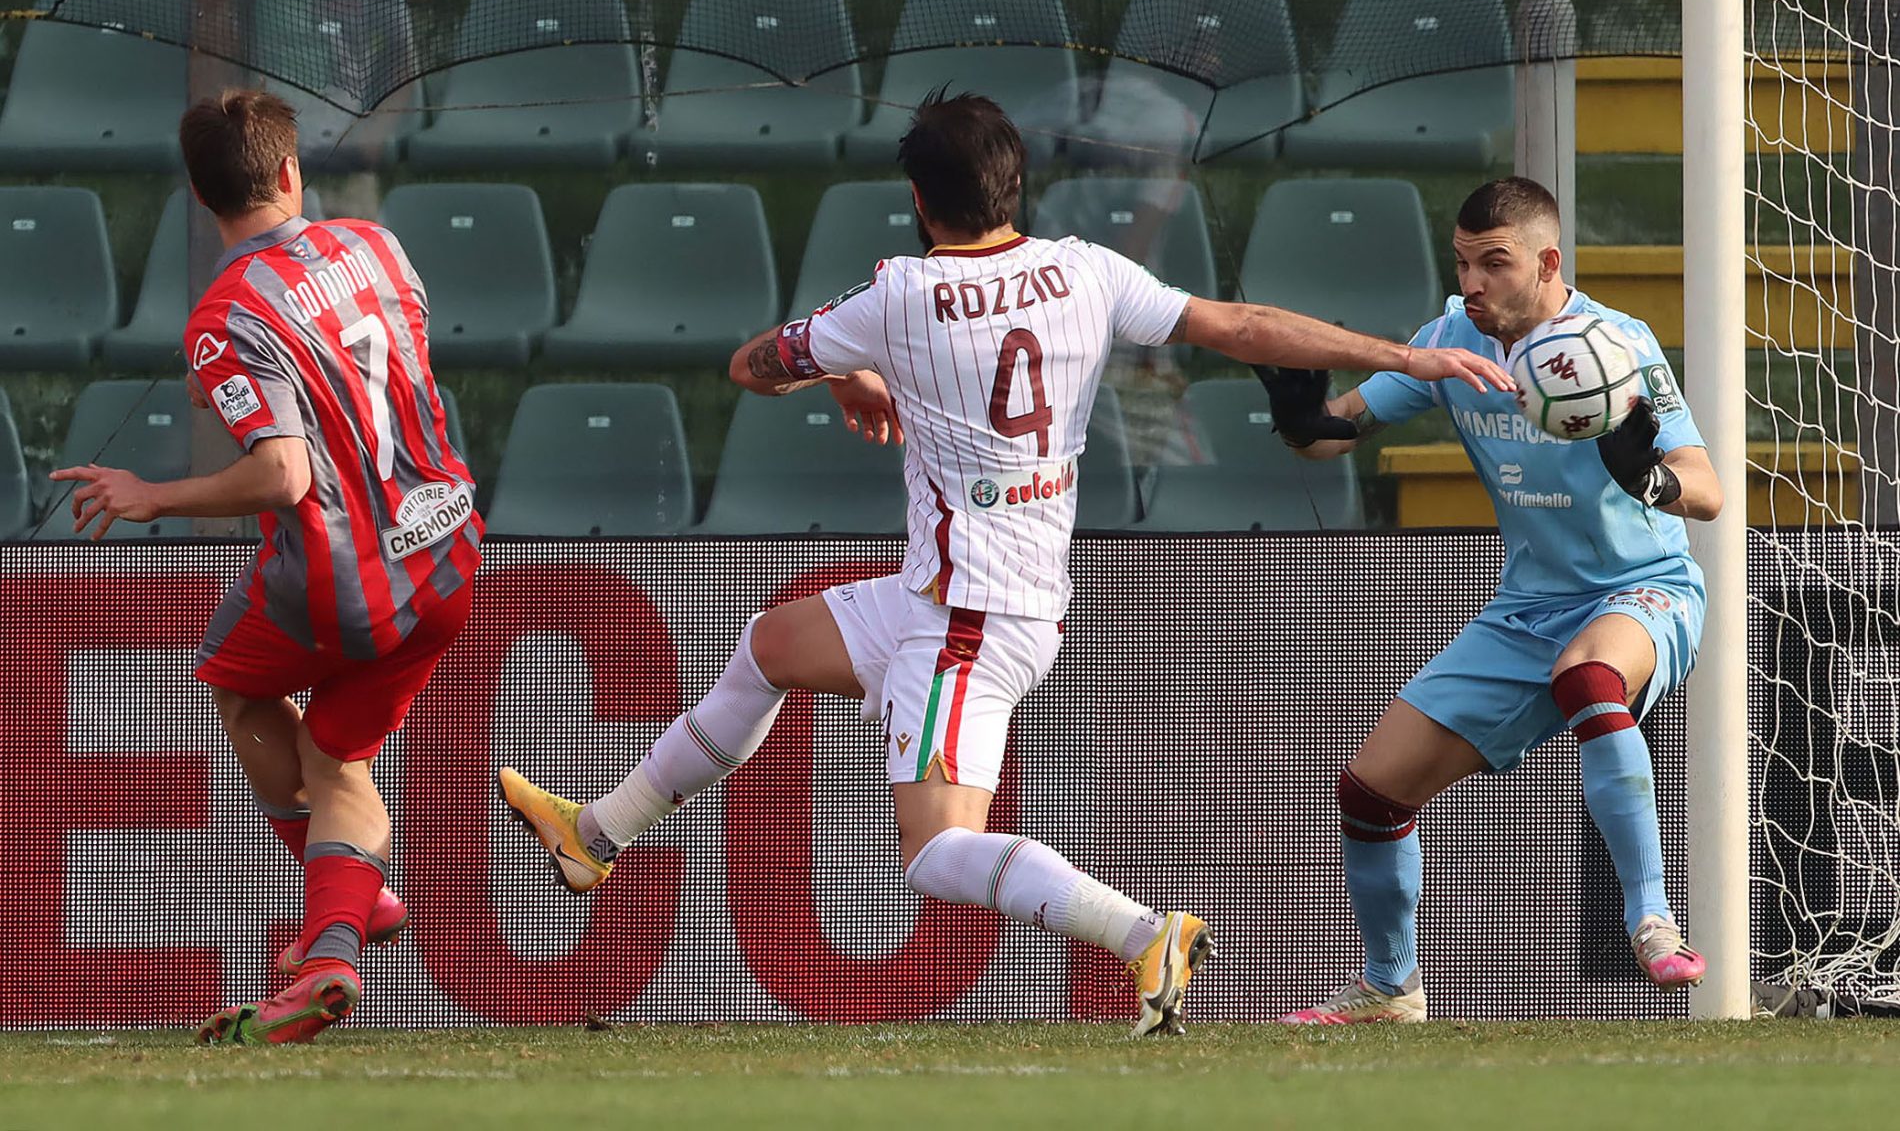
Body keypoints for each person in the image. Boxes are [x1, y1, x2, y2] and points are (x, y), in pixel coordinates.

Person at [496, 89, 1513, 1036]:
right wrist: (1406, 355)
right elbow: (1242, 326)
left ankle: (1142, 933)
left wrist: (843, 373)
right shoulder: (1086, 271)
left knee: (935, 853)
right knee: (769, 646)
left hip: (967, 619)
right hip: (960, 595)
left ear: (917, 200)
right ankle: (598, 833)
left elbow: (752, 367)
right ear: (1014, 183)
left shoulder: (898, 295)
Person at [52, 89, 483, 1045]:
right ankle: (344, 916)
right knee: (335, 752)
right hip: (449, 546)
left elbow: (284, 473)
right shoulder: (378, 245)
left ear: (200, 197)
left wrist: (152, 494)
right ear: (290, 171)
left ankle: (345, 916)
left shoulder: (223, 317)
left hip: (345, 577)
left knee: (236, 685)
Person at [1264, 176, 1723, 1024]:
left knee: (1588, 678)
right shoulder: (1448, 341)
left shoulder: (1614, 347)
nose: (1473, 282)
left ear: (1548, 263)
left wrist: (1649, 477)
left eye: (1494, 264)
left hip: (1642, 589)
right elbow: (1333, 435)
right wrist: (1298, 418)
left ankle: (1652, 918)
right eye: (1462, 263)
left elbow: (1707, 490)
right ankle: (1390, 988)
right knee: (1370, 791)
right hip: (1527, 611)